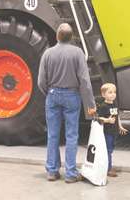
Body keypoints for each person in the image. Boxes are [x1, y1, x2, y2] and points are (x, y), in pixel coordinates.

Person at [37, 23, 96, 183]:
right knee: (71, 135)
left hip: (53, 95)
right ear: (71, 37)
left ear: (57, 36)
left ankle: (52, 171)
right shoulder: (77, 53)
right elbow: (84, 80)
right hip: (72, 96)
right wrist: (91, 105)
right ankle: (70, 173)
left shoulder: (48, 53)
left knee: (53, 134)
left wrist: (49, 92)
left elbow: (41, 81)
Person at [98, 83, 128, 178]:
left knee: (111, 149)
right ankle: (108, 169)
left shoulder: (114, 104)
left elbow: (117, 116)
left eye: (114, 92)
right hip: (107, 132)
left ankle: (108, 166)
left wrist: (120, 126)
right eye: (110, 92)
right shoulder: (103, 106)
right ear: (103, 95)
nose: (113, 94)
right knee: (108, 150)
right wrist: (108, 120)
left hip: (114, 131)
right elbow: (99, 118)